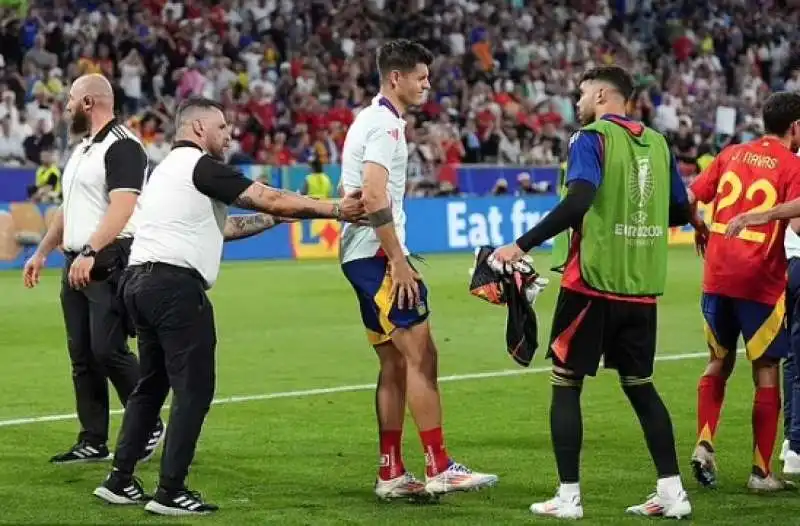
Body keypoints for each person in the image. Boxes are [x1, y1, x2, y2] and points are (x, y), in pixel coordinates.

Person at [92, 97, 365, 516]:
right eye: (222, 128)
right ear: (199, 129)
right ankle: (170, 491)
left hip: (140, 284)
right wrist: (334, 210)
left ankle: (120, 479)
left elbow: (225, 226)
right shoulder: (202, 166)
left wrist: (276, 220)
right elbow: (264, 197)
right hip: (174, 289)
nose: (229, 135)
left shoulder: (165, 172)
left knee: (150, 386)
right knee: (194, 390)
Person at [492, 65, 693, 519]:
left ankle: (568, 497)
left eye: (581, 94)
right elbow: (679, 210)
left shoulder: (590, 139)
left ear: (602, 95)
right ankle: (672, 493)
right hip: (640, 287)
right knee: (641, 387)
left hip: (591, 284)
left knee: (566, 385)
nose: (577, 102)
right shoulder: (660, 145)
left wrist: (519, 245)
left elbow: (580, 198)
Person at [338, 39, 497, 500]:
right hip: (377, 255)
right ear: (396, 78)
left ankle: (391, 471)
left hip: (359, 254)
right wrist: (399, 261)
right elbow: (372, 195)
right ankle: (440, 465)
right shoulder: (385, 125)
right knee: (422, 356)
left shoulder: (370, 120)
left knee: (393, 363)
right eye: (421, 77)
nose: (428, 84)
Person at [22, 73, 164, 464]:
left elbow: (123, 206)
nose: (66, 106)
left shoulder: (124, 146)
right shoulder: (83, 148)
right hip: (76, 260)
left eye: (70, 99)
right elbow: (69, 211)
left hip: (109, 259)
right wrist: (42, 252)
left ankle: (148, 422)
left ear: (88, 103)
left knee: (108, 349)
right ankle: (93, 439)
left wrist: (90, 250)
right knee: (82, 354)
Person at [687, 92, 800, 491]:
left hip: (717, 275)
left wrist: (698, 226)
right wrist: (771, 216)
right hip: (759, 281)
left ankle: (704, 442)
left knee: (717, 361)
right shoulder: (791, 164)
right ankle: (760, 473)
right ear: (796, 127)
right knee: (766, 370)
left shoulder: (732, 152)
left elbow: (690, 196)